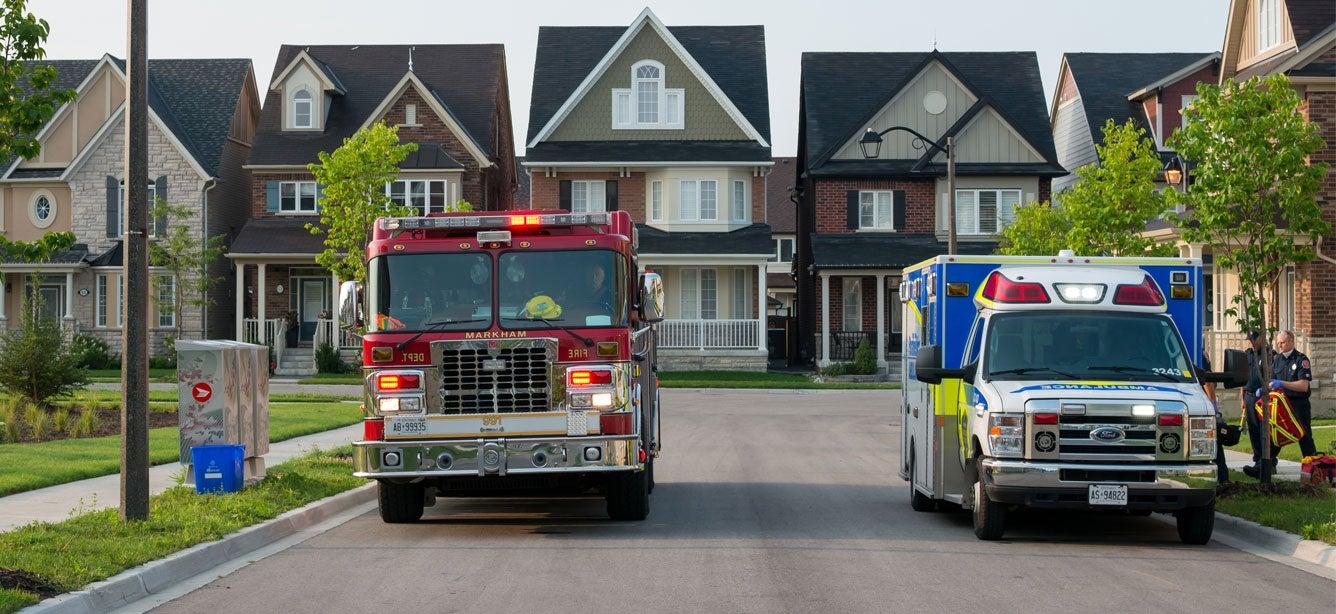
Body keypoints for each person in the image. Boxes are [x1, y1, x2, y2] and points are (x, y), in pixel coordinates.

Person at [1271, 330, 1315, 457]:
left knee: (1304, 436)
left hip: (1298, 404)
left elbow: (1303, 386)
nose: (1279, 345)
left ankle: (1312, 468)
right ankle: (1264, 468)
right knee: (1276, 435)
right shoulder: (1277, 360)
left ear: (1291, 341)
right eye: (1278, 343)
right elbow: (1272, 382)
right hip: (1282, 404)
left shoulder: (1301, 359)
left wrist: (1282, 383)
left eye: (1283, 342)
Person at [1241, 331, 1269, 478]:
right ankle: (1257, 460)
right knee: (1253, 430)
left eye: (1253, 339)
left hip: (1263, 397)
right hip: (1250, 396)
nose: (1251, 342)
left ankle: (1268, 462)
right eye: (1249, 339)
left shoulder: (1269, 354)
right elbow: (1244, 377)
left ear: (1261, 337)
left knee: (1264, 430)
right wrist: (1243, 397)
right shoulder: (1248, 354)